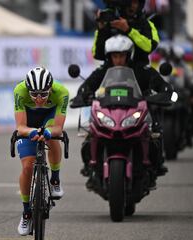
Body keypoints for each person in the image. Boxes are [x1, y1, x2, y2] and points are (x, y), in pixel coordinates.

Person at [71, 35, 172, 188]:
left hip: (137, 112)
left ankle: (154, 165)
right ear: (109, 56)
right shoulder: (103, 71)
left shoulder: (141, 70)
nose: (118, 59)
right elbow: (87, 86)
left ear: (129, 55)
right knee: (90, 134)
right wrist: (82, 96)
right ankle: (90, 167)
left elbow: (163, 87)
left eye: (122, 55)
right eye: (114, 56)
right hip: (110, 112)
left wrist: (162, 94)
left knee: (155, 134)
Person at [14, 67, 69, 235]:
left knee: (52, 137)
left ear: (51, 88)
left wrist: (47, 132)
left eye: (44, 95)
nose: (38, 99)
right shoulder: (20, 91)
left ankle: (55, 180)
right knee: (27, 167)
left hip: (49, 118)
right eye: (34, 94)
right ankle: (26, 212)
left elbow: (58, 128)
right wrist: (31, 132)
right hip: (29, 121)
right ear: (28, 89)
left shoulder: (62, 93)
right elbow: (21, 127)